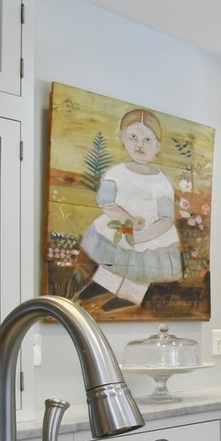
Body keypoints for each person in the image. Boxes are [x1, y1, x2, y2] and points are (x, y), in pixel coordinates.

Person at [78, 108, 182, 310]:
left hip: (151, 231)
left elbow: (166, 218)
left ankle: (130, 294)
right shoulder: (116, 173)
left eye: (147, 140)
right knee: (115, 256)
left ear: (157, 146)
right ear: (122, 137)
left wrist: (144, 235)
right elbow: (106, 202)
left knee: (141, 265)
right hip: (122, 224)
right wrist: (128, 220)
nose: (139, 145)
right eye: (133, 137)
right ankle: (104, 284)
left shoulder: (162, 183)